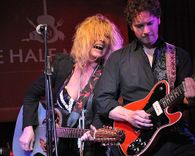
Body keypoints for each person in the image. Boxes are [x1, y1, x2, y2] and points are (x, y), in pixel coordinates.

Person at [92, 0, 195, 155]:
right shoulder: (118, 59)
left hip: (173, 134)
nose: (146, 30)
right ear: (131, 26)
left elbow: (186, 102)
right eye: (139, 26)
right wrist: (129, 115)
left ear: (158, 19)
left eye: (150, 23)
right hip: (137, 137)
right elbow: (102, 100)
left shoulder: (179, 55)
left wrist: (193, 98)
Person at [18, 14, 123, 156]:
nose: (102, 40)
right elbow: (31, 94)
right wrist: (28, 127)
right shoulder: (63, 64)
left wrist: (96, 130)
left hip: (88, 150)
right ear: (84, 38)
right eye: (96, 34)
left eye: (106, 37)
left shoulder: (108, 75)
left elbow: (108, 110)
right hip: (55, 149)